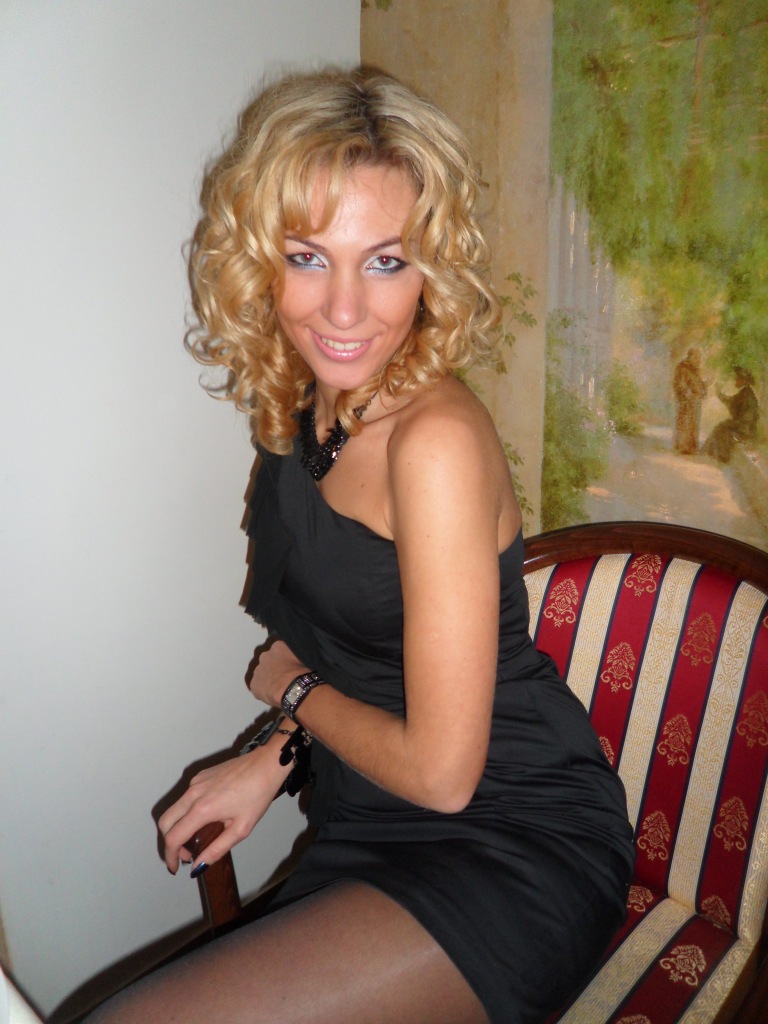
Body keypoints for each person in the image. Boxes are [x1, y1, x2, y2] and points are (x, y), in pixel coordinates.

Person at [86, 68, 634, 1024]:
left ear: (434, 269)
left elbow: (445, 775)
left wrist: (289, 692)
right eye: (308, 257)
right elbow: (360, 649)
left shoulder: (435, 444)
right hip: (367, 809)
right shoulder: (309, 400)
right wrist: (276, 756)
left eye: (385, 262)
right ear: (259, 260)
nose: (343, 311)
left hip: (511, 840)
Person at [702, 366, 759, 463]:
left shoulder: (747, 394)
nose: (735, 381)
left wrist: (735, 424)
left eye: (738, 379)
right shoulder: (745, 392)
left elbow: (747, 417)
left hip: (745, 427)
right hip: (742, 424)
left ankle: (721, 456)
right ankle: (713, 453)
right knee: (721, 427)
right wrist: (719, 394)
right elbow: (732, 402)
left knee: (722, 428)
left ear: (743, 381)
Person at [672, 346, 708, 454]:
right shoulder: (683, 368)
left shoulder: (695, 370)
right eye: (696, 358)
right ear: (690, 357)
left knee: (694, 424)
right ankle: (683, 447)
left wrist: (705, 385)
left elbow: (698, 384)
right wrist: (688, 394)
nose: (699, 360)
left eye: (700, 358)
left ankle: (691, 448)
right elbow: (680, 385)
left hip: (695, 401)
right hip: (687, 401)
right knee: (685, 423)